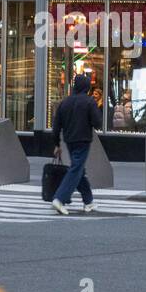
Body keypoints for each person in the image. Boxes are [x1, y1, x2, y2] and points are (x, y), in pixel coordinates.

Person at [50, 73, 101, 215]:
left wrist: (57, 144)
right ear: (87, 87)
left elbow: (56, 127)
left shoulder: (64, 103)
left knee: (79, 169)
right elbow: (97, 123)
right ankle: (59, 198)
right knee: (76, 169)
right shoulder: (89, 102)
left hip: (69, 140)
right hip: (83, 139)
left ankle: (88, 201)